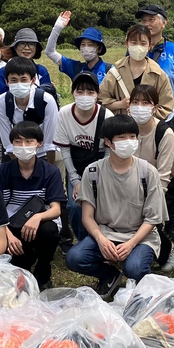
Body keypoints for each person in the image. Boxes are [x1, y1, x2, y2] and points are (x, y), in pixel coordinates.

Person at [65, 115, 167, 297]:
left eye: (132, 137)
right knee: (75, 258)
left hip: (140, 236)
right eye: (121, 137)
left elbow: (152, 219)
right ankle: (109, 275)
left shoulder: (148, 172)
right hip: (106, 232)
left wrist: (131, 244)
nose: (128, 142)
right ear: (108, 142)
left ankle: (141, 283)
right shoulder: (93, 172)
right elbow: (87, 216)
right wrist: (101, 240)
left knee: (135, 268)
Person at [0, 121, 65, 289]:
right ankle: (25, 262)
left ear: (39, 144)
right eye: (18, 142)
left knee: (49, 232)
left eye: (29, 141)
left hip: (41, 222)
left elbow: (56, 209)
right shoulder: (1, 171)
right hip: (9, 223)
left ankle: (43, 272)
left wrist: (37, 217)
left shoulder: (50, 171)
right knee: (18, 264)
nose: (23, 146)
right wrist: (7, 235)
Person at [137, 4, 174, 242]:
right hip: (141, 119)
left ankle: (171, 221)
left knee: (170, 172)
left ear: (164, 22)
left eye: (152, 19)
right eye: (143, 20)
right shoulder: (135, 49)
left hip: (166, 119)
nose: (147, 23)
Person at [55, 73, 113, 242]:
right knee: (74, 205)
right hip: (75, 165)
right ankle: (82, 241)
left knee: (100, 204)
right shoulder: (64, 113)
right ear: (73, 93)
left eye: (90, 92)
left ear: (97, 94)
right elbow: (65, 150)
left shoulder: (106, 116)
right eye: (80, 91)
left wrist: (100, 177)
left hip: (101, 165)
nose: (85, 96)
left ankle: (101, 238)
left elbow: (109, 151)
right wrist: (76, 181)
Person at [130, 84, 174, 273]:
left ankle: (168, 250)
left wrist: (148, 201)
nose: (139, 107)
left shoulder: (164, 133)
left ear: (155, 108)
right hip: (131, 184)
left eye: (145, 103)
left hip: (160, 187)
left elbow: (164, 175)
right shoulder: (125, 129)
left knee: (148, 222)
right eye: (135, 102)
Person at [99, 24, 174, 119]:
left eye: (143, 43)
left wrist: (144, 114)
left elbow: (166, 107)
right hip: (121, 125)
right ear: (127, 44)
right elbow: (101, 100)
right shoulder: (115, 71)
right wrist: (120, 104)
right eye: (134, 43)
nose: (138, 47)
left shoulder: (159, 74)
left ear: (149, 45)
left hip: (149, 126)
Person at [0, 57, 59, 161]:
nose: (19, 84)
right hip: (16, 154)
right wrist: (19, 166)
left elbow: (50, 143)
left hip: (43, 154)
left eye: (23, 80)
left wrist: (49, 168)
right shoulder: (1, 102)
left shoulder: (46, 101)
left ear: (33, 80)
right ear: (6, 82)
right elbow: (8, 143)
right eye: (14, 80)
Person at [45, 11, 111, 84]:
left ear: (99, 48)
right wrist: (58, 27)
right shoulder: (75, 68)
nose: (86, 48)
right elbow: (50, 52)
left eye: (90, 45)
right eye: (83, 44)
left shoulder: (110, 70)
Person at [0, 29, 53, 98]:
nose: (27, 48)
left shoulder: (41, 71)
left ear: (36, 48)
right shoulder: (3, 72)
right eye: (22, 43)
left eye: (31, 44)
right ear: (15, 47)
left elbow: (47, 97)